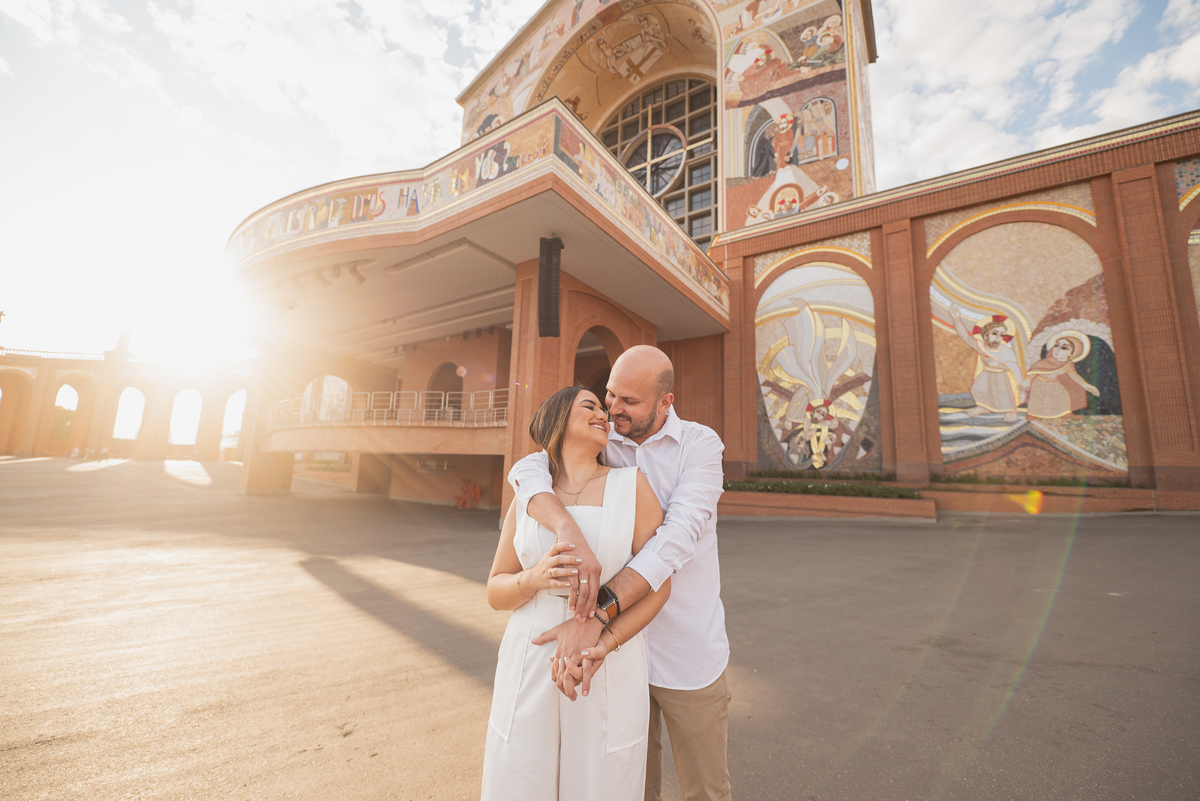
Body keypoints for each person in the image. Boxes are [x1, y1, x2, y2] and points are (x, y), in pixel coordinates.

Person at [509, 345, 731, 801]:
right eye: (609, 396)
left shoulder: (700, 445)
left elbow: (675, 539)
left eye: (628, 401)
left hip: (685, 649)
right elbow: (529, 468)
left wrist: (600, 611)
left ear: (665, 402)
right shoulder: (603, 438)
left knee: (705, 790)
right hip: (615, 662)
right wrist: (565, 523)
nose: (613, 409)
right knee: (630, 788)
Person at [482, 385, 669, 800]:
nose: (604, 413)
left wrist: (605, 641)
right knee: (521, 778)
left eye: (604, 409)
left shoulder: (632, 485)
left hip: (602, 665)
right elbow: (496, 590)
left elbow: (659, 586)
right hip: (530, 658)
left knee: (601, 781)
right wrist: (533, 578)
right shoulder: (529, 496)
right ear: (558, 419)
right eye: (590, 406)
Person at [1022, 332, 1099, 419]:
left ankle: (1065, 414)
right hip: (1039, 385)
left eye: (1064, 348)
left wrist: (1085, 385)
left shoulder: (1068, 364)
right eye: (1056, 345)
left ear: (1072, 353)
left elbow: (1074, 375)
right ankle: (1034, 415)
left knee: (1063, 396)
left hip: (1054, 383)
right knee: (1040, 401)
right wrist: (1026, 382)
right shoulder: (1045, 362)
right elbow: (1033, 373)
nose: (1057, 350)